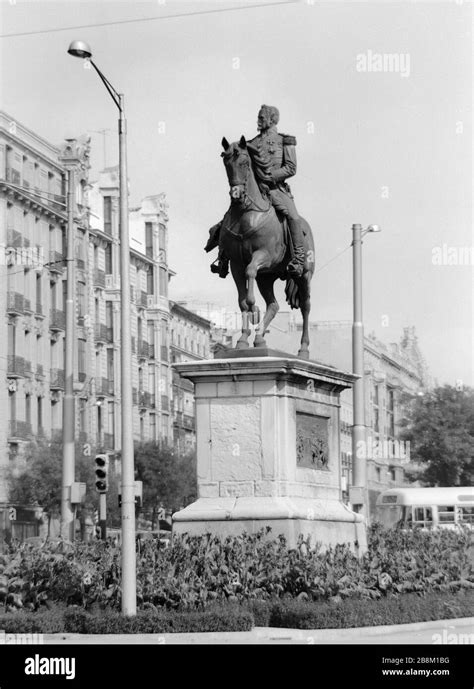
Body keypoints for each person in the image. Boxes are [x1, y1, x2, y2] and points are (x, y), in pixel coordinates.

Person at [205, 104, 306, 278]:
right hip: (255, 189)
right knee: (229, 215)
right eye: (258, 117)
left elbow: (291, 168)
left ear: (272, 119)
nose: (258, 120)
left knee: (292, 217)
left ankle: (298, 258)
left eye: (261, 117)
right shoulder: (251, 143)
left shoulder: (285, 140)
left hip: (276, 189)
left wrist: (270, 176)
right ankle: (223, 258)